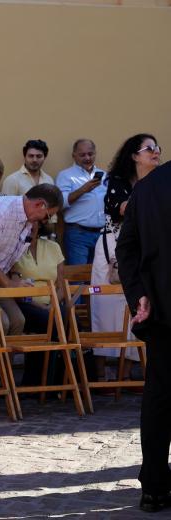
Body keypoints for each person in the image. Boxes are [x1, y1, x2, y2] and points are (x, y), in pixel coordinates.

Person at [0, 184, 64, 386]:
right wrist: (8, 282)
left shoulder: (26, 218)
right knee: (0, 322)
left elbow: (7, 256)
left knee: (17, 320)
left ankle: (0, 376)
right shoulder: (1, 211)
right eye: (47, 215)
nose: (46, 221)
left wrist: (13, 280)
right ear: (40, 205)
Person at [115, 158, 171, 513]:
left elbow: (127, 248)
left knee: (160, 398)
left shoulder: (149, 186)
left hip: (162, 308)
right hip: (162, 309)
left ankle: (153, 486)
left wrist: (139, 294)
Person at [92, 134, 161, 384]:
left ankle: (128, 372)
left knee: (139, 307)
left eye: (157, 147)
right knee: (106, 306)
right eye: (149, 148)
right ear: (134, 155)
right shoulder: (118, 182)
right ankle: (101, 374)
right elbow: (123, 208)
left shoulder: (158, 182)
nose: (155, 152)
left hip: (145, 250)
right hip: (114, 248)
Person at [56, 139, 107, 265]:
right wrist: (84, 189)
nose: (87, 158)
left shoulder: (105, 176)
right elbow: (60, 203)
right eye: (82, 155)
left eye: (90, 154)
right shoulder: (65, 175)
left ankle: (93, 287)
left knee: (98, 277)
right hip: (78, 234)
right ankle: (82, 287)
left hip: (102, 234)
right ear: (74, 156)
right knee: (79, 277)